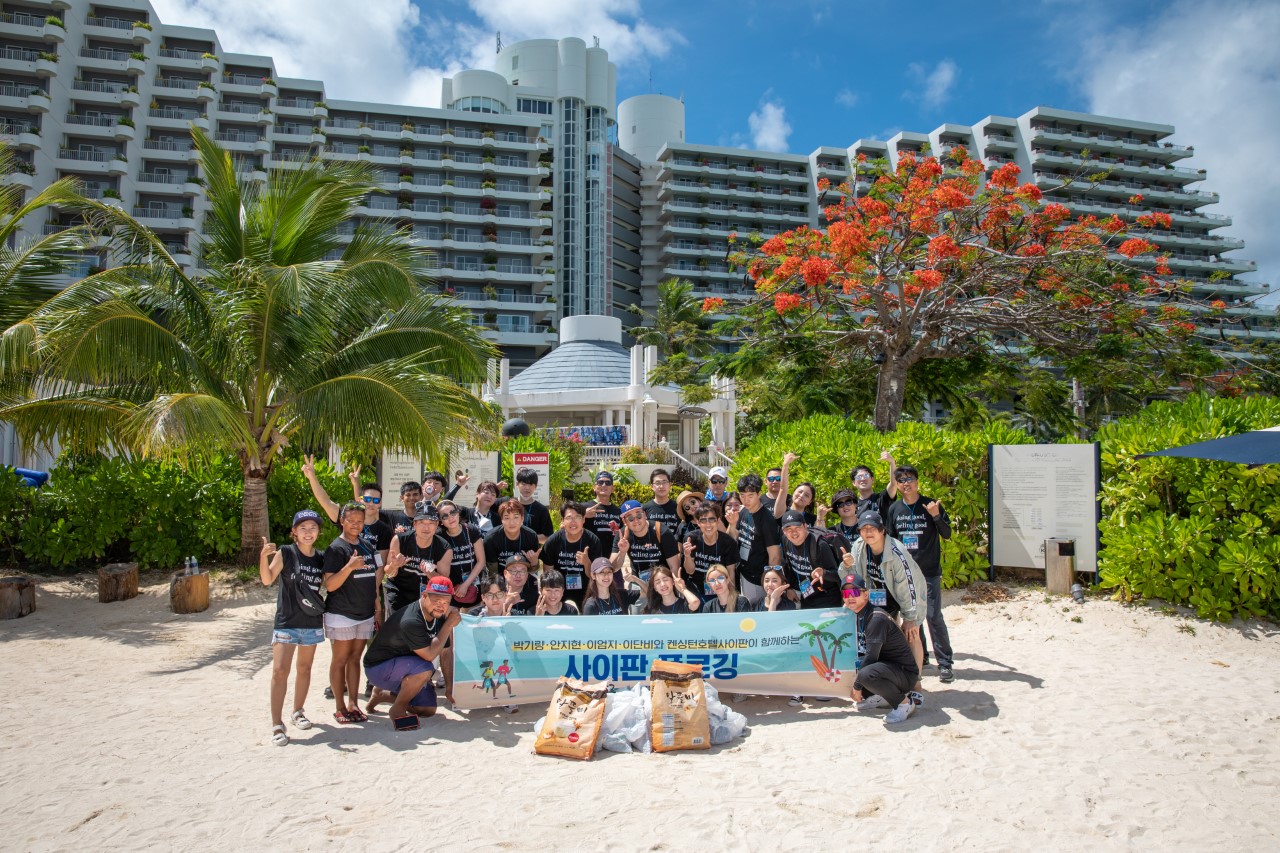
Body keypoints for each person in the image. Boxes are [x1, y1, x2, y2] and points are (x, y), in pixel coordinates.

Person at [841, 510, 927, 701]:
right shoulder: (859, 546)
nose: (868, 532)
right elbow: (853, 578)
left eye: (873, 528)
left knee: (911, 634)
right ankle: (891, 682)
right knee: (888, 639)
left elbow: (909, 585)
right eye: (864, 528)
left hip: (905, 595)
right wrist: (846, 566)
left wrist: (910, 617)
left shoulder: (897, 552)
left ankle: (917, 685)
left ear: (882, 531)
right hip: (878, 597)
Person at [259, 509, 326, 746]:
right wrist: (263, 556)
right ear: (294, 532)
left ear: (319, 532)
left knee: (305, 669)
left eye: (313, 528)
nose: (308, 533)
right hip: (287, 621)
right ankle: (277, 723)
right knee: (279, 671)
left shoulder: (321, 558)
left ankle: (298, 711)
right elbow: (267, 579)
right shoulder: (286, 552)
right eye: (303, 528)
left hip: (311, 622)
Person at [885, 466, 955, 683]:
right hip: (905, 573)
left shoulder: (930, 504)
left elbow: (947, 534)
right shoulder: (894, 509)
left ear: (917, 481)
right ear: (896, 484)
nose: (906, 483)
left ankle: (945, 663)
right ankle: (922, 656)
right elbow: (891, 541)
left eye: (910, 479)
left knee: (933, 616)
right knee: (914, 618)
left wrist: (936, 516)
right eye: (902, 480)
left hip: (929, 571)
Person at [363, 575, 461, 727]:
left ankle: (381, 695)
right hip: (378, 668)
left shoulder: (438, 615)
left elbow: (445, 652)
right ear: (424, 595)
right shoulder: (411, 620)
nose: (441, 606)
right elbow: (429, 655)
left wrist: (449, 687)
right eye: (437, 601)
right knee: (426, 668)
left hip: (405, 667)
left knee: (427, 710)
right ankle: (398, 709)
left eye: (446, 602)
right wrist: (449, 625)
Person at [322, 502, 382, 724]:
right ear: (342, 521)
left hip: (365, 612)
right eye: (351, 521)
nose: (356, 525)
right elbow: (330, 585)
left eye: (360, 521)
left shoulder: (367, 546)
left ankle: (353, 703)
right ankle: (339, 706)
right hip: (341, 613)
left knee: (356, 658)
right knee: (340, 659)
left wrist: (377, 607)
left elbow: (373, 581)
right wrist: (348, 567)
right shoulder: (335, 548)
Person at [844, 575, 920, 724]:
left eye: (854, 592)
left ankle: (904, 703)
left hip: (905, 673)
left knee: (865, 676)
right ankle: (883, 697)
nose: (850, 597)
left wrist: (857, 686)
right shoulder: (862, 613)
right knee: (862, 675)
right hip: (889, 668)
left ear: (866, 595)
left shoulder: (875, 618)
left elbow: (872, 656)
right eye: (846, 594)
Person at [386, 503, 451, 616]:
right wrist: (394, 566)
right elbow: (388, 572)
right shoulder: (399, 540)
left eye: (431, 523)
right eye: (421, 522)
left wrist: (430, 573)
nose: (426, 527)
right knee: (399, 628)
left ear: (436, 525)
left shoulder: (444, 548)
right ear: (414, 524)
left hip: (426, 595)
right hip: (399, 591)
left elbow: (443, 583)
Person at [539, 501, 602, 609]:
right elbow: (548, 574)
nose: (573, 522)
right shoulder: (553, 541)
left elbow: (594, 577)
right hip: (559, 589)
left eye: (577, 517)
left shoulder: (592, 541)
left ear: (583, 520)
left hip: (586, 588)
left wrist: (587, 563)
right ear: (563, 521)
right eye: (569, 518)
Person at [482, 499, 541, 610]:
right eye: (507, 518)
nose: (512, 522)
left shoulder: (531, 536)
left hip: (524, 577)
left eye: (516, 517)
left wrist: (534, 561)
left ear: (522, 519)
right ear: (501, 520)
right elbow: (492, 572)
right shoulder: (491, 538)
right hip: (501, 579)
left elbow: (533, 571)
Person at [777, 509, 842, 609]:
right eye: (789, 529)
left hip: (827, 598)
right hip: (806, 595)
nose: (793, 533)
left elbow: (838, 574)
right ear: (783, 531)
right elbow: (787, 566)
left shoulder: (819, 545)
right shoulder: (785, 540)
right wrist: (789, 588)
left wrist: (824, 573)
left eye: (797, 528)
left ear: (805, 526)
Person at [734, 474, 781, 607]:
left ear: (759, 494)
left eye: (750, 496)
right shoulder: (744, 511)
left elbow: (775, 555)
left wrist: (769, 584)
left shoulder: (767, 519)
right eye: (742, 495)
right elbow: (735, 536)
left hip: (757, 579)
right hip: (743, 572)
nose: (746, 500)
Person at [680, 500, 739, 598]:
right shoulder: (691, 538)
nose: (708, 524)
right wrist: (687, 556)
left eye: (712, 519)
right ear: (698, 522)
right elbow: (690, 571)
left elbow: (730, 573)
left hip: (720, 590)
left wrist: (731, 597)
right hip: (696, 589)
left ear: (717, 520)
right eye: (703, 520)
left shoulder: (728, 542)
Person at [611, 499, 679, 583]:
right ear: (625, 521)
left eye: (639, 515)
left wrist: (672, 587)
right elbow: (613, 568)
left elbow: (674, 566)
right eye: (630, 518)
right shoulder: (622, 535)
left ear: (645, 515)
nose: (636, 521)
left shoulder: (662, 531)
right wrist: (622, 552)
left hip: (662, 581)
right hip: (638, 581)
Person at [436, 499, 486, 607]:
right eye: (444, 516)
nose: (450, 518)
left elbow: (481, 561)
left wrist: (465, 585)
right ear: (440, 521)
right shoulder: (439, 536)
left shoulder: (471, 530)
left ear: (458, 512)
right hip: (450, 587)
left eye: (453, 512)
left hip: (473, 584)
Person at [584, 471, 622, 556]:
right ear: (594, 487)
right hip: (589, 560)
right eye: (600, 482)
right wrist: (583, 514)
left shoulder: (618, 511)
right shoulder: (584, 508)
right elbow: (566, 526)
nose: (604, 485)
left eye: (608, 483)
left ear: (612, 488)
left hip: (611, 560)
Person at [851, 451, 899, 517]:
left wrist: (892, 462)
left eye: (866, 476)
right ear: (854, 483)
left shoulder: (881, 499)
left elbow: (894, 484)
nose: (863, 479)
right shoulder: (852, 505)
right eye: (859, 477)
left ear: (872, 479)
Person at [513, 467, 554, 542]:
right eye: (524, 484)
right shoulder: (509, 506)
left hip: (533, 552)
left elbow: (548, 537)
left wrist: (526, 538)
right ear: (517, 484)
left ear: (535, 486)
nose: (527, 488)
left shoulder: (542, 510)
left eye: (531, 484)